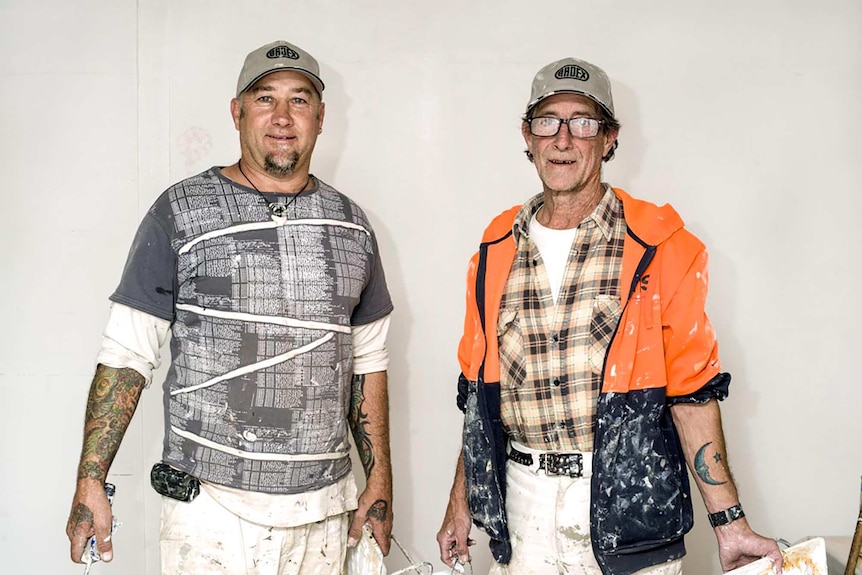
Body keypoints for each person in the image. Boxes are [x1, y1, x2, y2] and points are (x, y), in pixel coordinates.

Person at [436, 57, 783, 575]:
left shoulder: (660, 246)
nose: (563, 139)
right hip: (521, 505)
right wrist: (459, 503)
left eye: (583, 122)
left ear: (609, 138)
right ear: (527, 136)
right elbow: (482, 398)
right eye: (548, 121)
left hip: (630, 510)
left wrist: (730, 521)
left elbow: (692, 393)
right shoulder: (494, 249)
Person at [65, 39, 395, 575]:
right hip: (209, 513)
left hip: (324, 510)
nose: (283, 117)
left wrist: (378, 485)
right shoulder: (179, 211)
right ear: (237, 112)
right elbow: (126, 354)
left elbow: (370, 363)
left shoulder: (353, 226)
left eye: (300, 99)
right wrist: (90, 481)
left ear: (321, 117)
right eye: (265, 99)